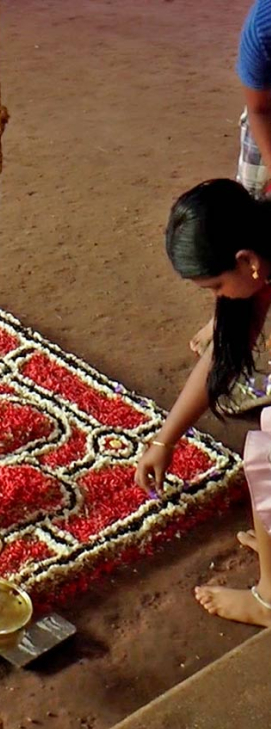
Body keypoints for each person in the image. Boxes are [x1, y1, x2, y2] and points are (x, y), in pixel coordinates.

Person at [135, 178, 271, 626]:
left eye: (215, 287)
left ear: (246, 262)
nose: (217, 301)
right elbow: (222, 360)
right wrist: (165, 439)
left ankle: (269, 601)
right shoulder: (259, 260)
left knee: (268, 458)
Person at [189, 0, 271, 358]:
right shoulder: (265, 27)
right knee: (247, 215)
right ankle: (230, 314)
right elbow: (259, 109)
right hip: (268, 119)